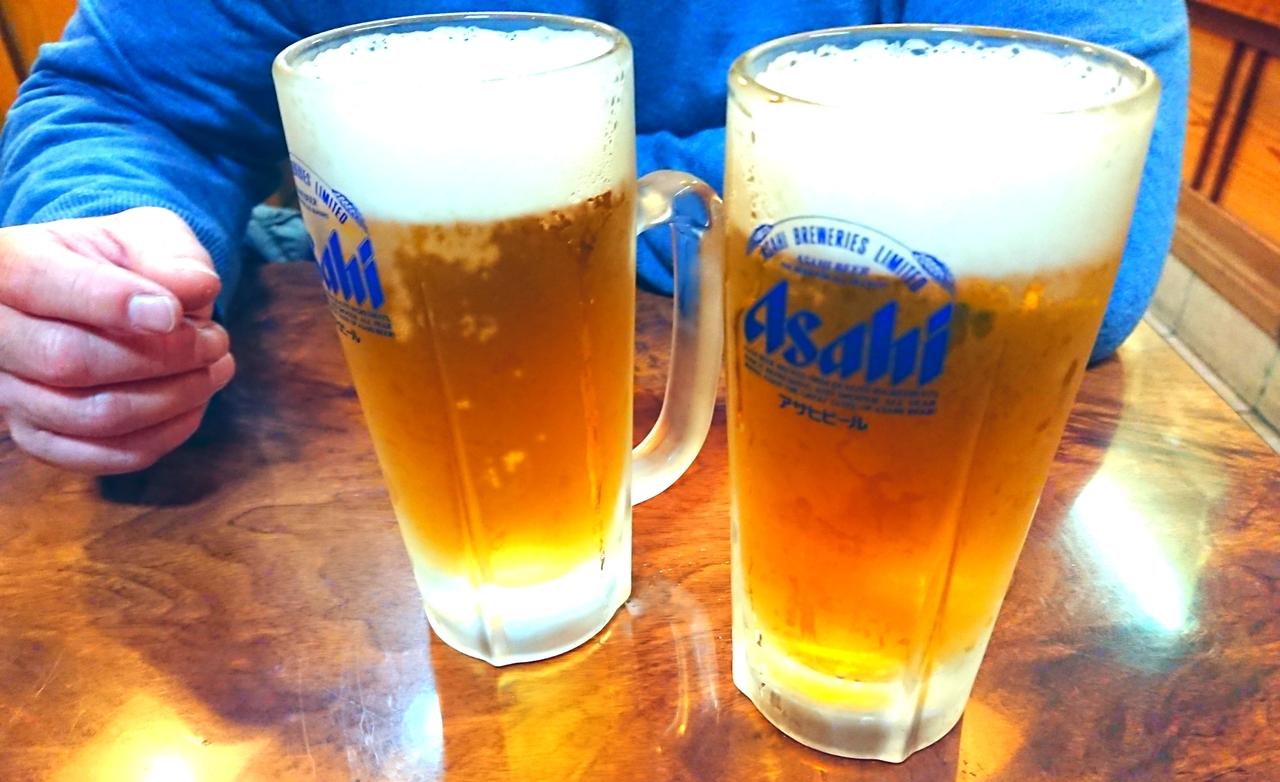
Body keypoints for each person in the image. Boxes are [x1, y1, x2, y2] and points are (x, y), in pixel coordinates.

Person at [0, 0, 1188, 475]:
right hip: (345, 518)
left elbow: (1085, 213)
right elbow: (123, 96)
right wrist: (106, 236)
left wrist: (501, 197)